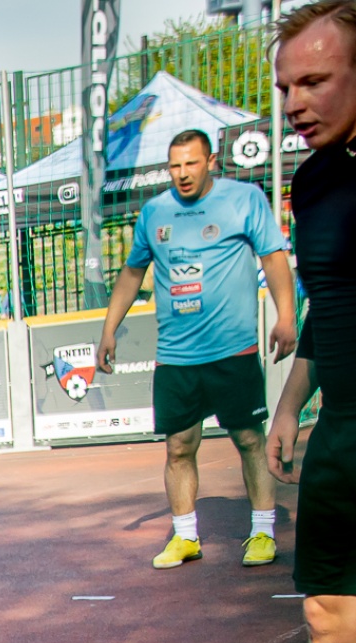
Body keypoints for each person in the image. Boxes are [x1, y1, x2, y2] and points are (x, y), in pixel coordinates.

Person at [245, 1, 356, 643]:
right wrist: (290, 402)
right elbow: (328, 303)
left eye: (313, 81)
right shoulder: (312, 182)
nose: (294, 103)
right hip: (343, 425)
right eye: (286, 87)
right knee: (326, 610)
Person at [97, 128, 296, 571]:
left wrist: (286, 316)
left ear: (211, 162)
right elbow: (132, 273)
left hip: (233, 350)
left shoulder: (244, 199)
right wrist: (109, 329)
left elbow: (273, 257)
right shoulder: (154, 212)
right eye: (175, 166)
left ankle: (263, 532)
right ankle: (185, 537)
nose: (183, 173)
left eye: (191, 163)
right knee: (178, 447)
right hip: (176, 357)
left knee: (249, 440)